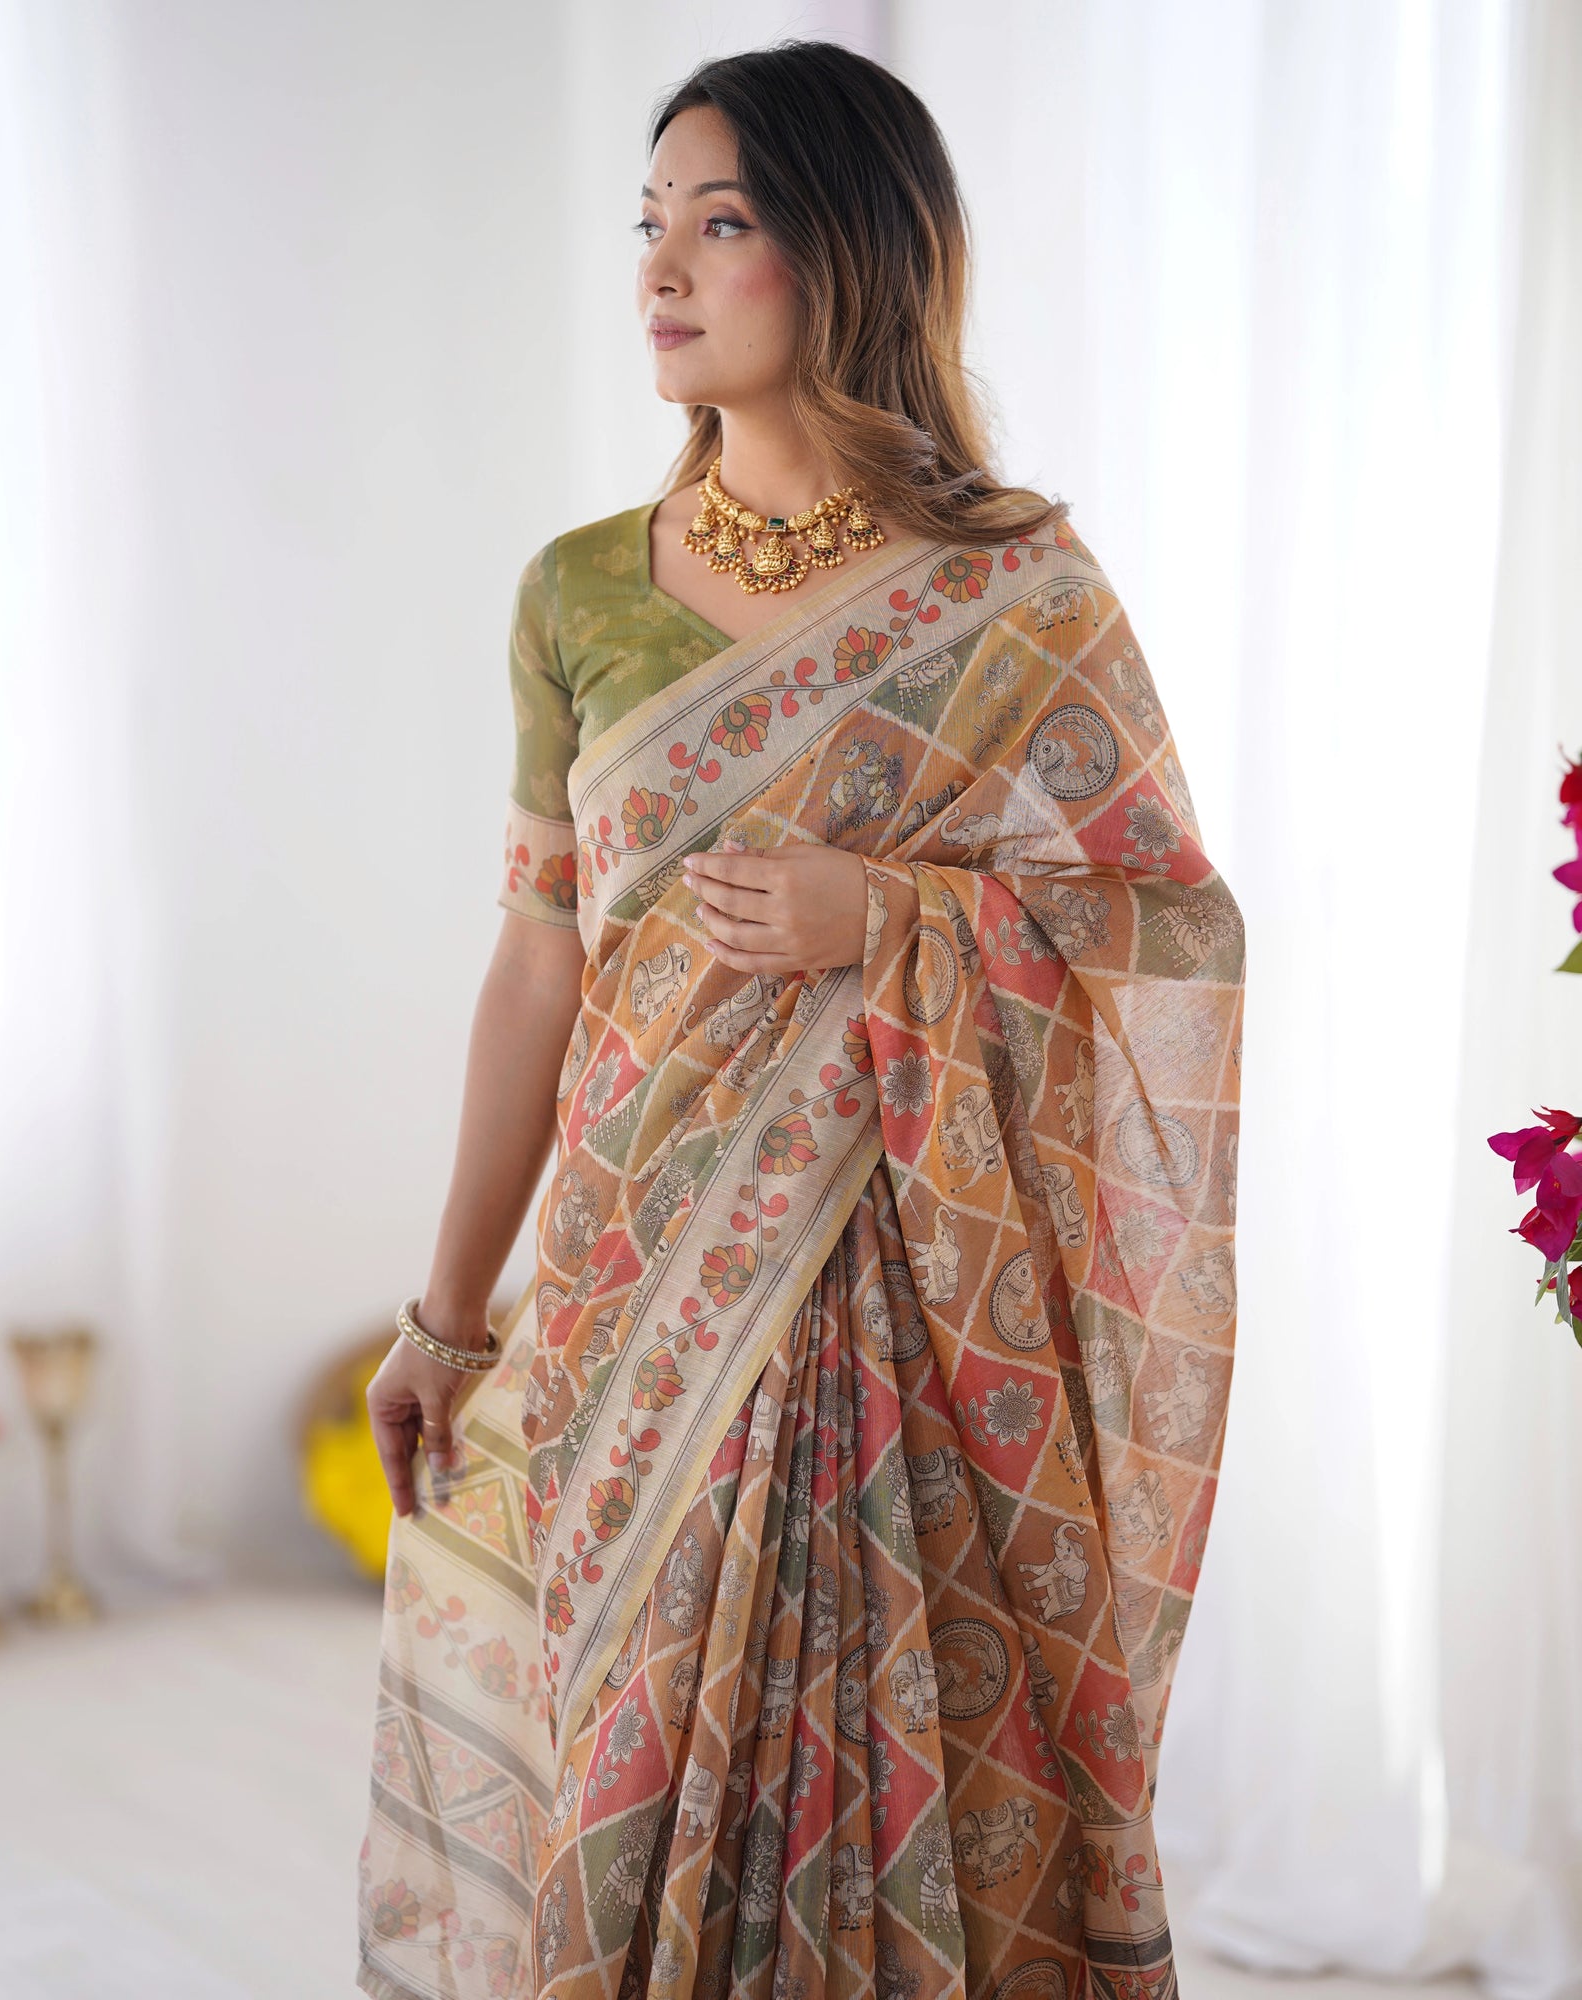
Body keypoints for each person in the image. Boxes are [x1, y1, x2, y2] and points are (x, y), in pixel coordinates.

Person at [355, 39, 1245, 2000]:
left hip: (913, 1317)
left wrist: (891, 919)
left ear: (845, 250)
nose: (661, 267)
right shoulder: (577, 592)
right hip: (629, 1293)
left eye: (721, 221)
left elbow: (1162, 931)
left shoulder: (1016, 594)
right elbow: (535, 960)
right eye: (648, 225)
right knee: (632, 1767)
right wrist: (445, 1309)